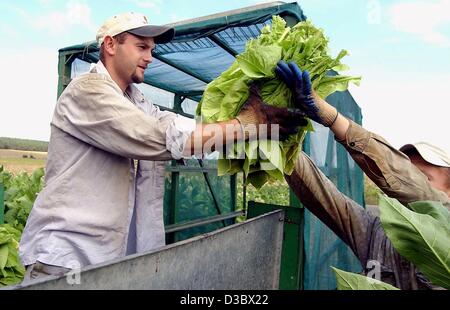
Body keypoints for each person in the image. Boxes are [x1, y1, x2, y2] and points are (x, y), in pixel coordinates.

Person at [19, 13, 306, 282]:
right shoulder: (87, 91)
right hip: (68, 257)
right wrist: (247, 122)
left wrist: (263, 127)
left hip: (113, 261)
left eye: (151, 49)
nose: (149, 57)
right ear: (110, 45)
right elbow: (158, 137)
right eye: (141, 47)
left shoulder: (139, 102)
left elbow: (184, 130)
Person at [275, 60, 450, 290]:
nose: (405, 184)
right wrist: (280, 139)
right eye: (408, 171)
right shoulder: (376, 233)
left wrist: (333, 118)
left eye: (424, 176)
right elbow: (323, 195)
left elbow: (416, 191)